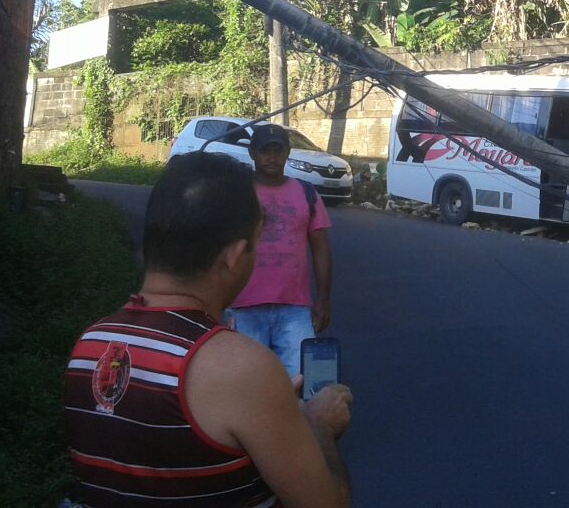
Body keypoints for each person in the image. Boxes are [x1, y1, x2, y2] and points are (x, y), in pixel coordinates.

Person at [62, 151, 353, 507]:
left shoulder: (89, 344)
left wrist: (273, 405)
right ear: (234, 257)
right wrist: (318, 428)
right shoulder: (241, 368)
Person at [227, 123, 334, 378]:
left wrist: (323, 300)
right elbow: (219, 245)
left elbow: (321, 249)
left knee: (303, 380)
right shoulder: (236, 194)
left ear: (287, 153)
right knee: (248, 382)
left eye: (278, 150)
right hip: (243, 306)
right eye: (265, 151)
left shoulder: (307, 193)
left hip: (294, 308)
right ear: (252, 153)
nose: (272, 157)